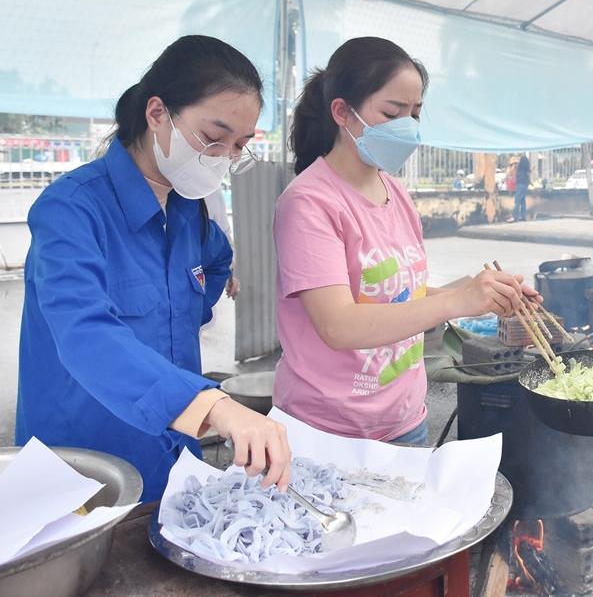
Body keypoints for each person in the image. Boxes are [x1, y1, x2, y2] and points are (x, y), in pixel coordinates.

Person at [16, 36, 293, 502]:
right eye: (213, 137)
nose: (223, 157)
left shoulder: (190, 217)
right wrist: (214, 405)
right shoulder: (72, 210)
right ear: (157, 113)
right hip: (83, 468)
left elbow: (218, 262)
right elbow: (85, 336)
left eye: (238, 146)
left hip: (169, 455)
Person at [274, 37, 534, 446]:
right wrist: (457, 301)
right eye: (393, 112)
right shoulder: (309, 203)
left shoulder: (396, 194)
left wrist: (480, 293)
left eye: (415, 113)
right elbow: (338, 324)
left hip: (405, 420)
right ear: (342, 112)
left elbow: (399, 295)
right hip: (330, 433)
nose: (408, 126)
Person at [513, 153, 530, 221]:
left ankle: (515, 216)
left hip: (520, 184)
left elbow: (516, 175)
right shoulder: (526, 168)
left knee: (517, 200)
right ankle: (523, 216)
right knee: (522, 200)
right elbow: (528, 176)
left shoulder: (519, 168)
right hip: (524, 184)